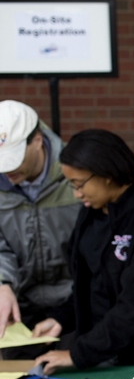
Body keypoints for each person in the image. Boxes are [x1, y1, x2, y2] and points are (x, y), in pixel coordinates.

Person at [33, 129, 134, 374]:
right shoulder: (91, 213)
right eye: (71, 185)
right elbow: (88, 285)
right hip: (101, 355)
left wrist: (77, 354)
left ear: (106, 173)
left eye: (79, 184)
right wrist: (60, 319)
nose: (77, 194)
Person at [0, 100, 79, 359]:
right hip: (18, 310)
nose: (7, 169)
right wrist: (2, 283)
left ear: (37, 140)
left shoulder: (77, 175)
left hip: (76, 304)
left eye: (13, 158)